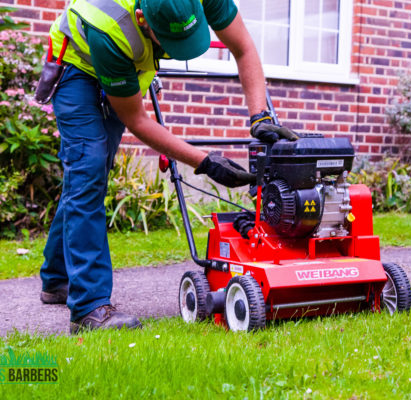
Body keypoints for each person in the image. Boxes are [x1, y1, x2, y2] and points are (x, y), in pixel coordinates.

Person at [38, 0, 297, 333]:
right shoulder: (110, 24)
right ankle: (89, 309)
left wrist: (259, 116)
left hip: (121, 65)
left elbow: (244, 48)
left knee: (89, 177)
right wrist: (205, 163)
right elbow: (136, 119)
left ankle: (57, 279)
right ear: (144, 19)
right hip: (79, 67)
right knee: (87, 171)